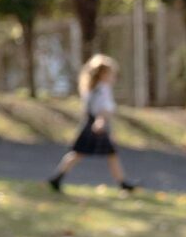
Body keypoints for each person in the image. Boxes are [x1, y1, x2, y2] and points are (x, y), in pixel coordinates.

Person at [49, 53, 138, 193]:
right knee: (98, 154)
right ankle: (122, 183)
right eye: (111, 74)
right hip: (97, 125)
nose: (114, 77)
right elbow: (102, 108)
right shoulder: (102, 89)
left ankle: (58, 177)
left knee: (88, 153)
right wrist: (101, 121)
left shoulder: (91, 89)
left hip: (91, 123)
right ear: (103, 74)